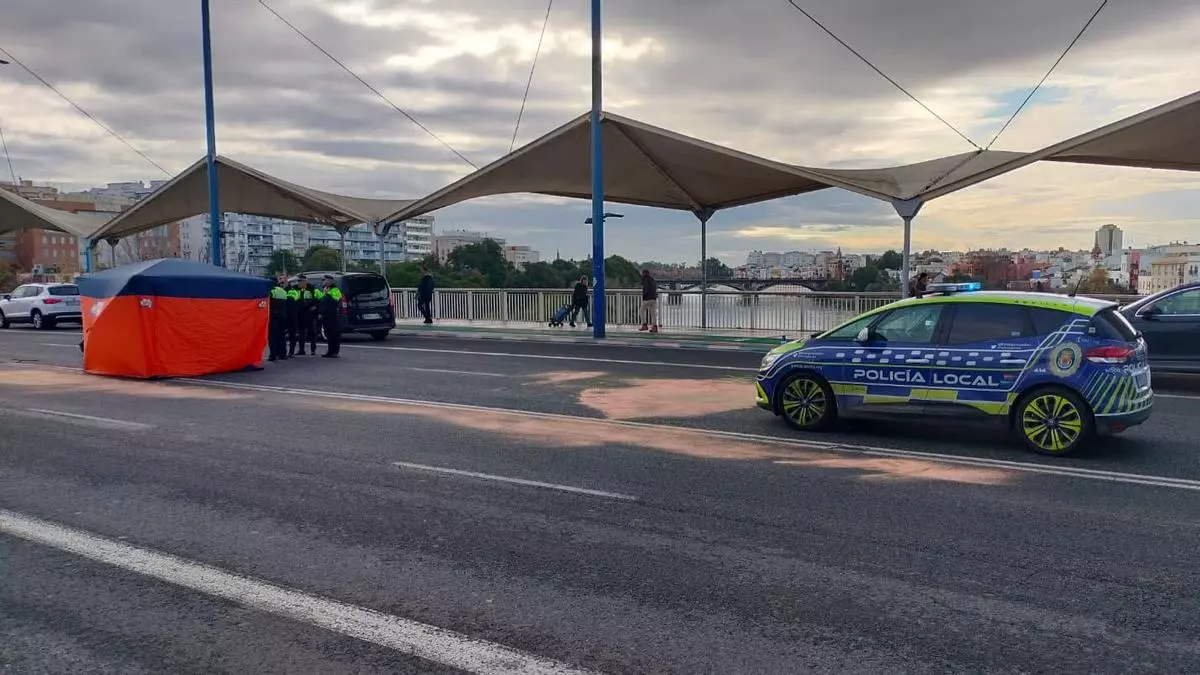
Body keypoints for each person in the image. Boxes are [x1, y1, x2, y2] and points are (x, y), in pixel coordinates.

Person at [319, 275, 343, 358]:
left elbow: (335, 301)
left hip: (333, 315)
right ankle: (330, 351)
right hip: (326, 315)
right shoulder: (326, 290)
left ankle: (334, 351)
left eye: (325, 280)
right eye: (324, 280)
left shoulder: (335, 290)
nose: (324, 282)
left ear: (330, 281)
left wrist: (327, 294)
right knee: (328, 334)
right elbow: (323, 302)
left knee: (334, 333)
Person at [267, 275, 289, 362]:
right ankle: (282, 354)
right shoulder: (282, 291)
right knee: (282, 335)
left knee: (272, 336)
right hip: (283, 316)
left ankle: (273, 355)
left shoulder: (271, 291)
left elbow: (269, 304)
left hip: (274, 316)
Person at [296, 276, 316, 356]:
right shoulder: (296, 289)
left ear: (305, 281)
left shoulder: (312, 289)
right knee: (301, 333)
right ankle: (301, 350)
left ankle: (313, 350)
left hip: (309, 314)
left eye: (300, 281)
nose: (299, 283)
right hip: (300, 313)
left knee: (312, 332)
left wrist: (315, 307)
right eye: (298, 281)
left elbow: (320, 299)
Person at [640, 269, 659, 333]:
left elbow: (646, 288)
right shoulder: (652, 280)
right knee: (653, 313)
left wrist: (644, 296)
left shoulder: (645, 280)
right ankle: (654, 327)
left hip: (647, 298)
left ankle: (644, 325)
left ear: (644, 273)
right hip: (653, 298)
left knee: (641, 311)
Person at [285, 279, 301, 357]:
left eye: (284, 282)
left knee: (292, 334)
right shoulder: (280, 290)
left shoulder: (293, 291)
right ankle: (282, 352)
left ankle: (291, 352)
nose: (282, 283)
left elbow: (292, 300)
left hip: (292, 315)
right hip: (284, 315)